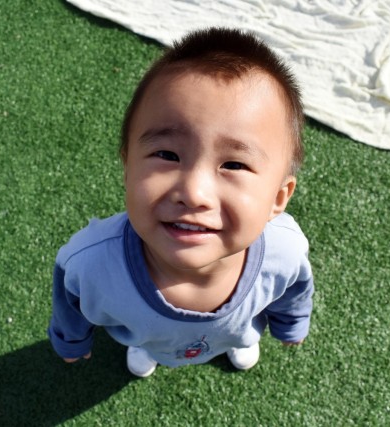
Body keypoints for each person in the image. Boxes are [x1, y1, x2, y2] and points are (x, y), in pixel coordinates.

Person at [48, 27, 314, 377]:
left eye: (233, 164)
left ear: (277, 198)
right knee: (147, 337)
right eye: (167, 154)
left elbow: (293, 291)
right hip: (146, 336)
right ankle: (147, 345)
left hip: (238, 328)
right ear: (128, 167)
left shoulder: (286, 251)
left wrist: (290, 325)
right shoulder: (89, 264)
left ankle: (242, 338)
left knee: (241, 329)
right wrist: (71, 341)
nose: (193, 192)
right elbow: (71, 305)